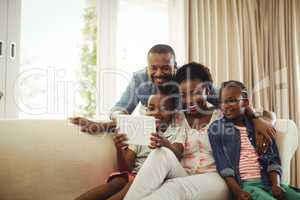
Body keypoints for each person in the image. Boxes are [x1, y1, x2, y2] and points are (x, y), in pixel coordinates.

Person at [123, 62, 279, 200]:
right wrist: (115, 125)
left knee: (174, 187)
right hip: (183, 175)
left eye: (196, 93)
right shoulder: (177, 116)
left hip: (218, 180)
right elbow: (147, 117)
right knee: (160, 154)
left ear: (208, 90)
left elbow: (267, 114)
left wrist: (259, 120)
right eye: (184, 95)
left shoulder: (223, 113)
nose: (189, 100)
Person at [74, 88, 186, 200]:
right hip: (133, 176)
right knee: (118, 182)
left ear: (173, 113)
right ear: (146, 111)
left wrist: (165, 143)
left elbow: (177, 153)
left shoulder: (177, 131)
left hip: (158, 179)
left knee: (132, 183)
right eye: (151, 108)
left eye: (163, 108)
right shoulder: (140, 132)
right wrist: (119, 149)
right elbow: (126, 168)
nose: (156, 112)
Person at [208, 80, 300, 200]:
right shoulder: (217, 128)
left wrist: (276, 184)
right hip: (247, 186)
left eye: (231, 100)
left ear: (245, 102)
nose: (226, 106)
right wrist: (238, 192)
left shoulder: (258, 127)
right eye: (222, 102)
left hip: (268, 183)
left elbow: (272, 159)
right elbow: (224, 166)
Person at [70, 44, 178, 134]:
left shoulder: (184, 81)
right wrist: (123, 120)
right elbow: (118, 110)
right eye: (153, 68)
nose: (158, 73)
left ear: (175, 67)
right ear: (147, 67)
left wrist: (104, 126)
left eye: (165, 68)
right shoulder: (140, 78)